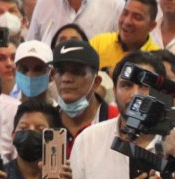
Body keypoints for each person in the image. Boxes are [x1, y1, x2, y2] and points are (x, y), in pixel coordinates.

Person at [69, 51, 167, 179]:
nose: (135, 94)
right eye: (126, 85)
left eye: (145, 86)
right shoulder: (88, 141)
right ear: (115, 92)